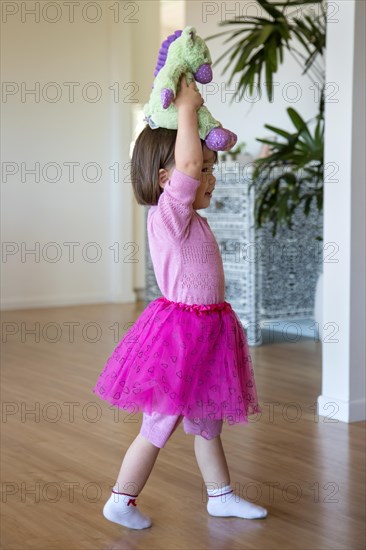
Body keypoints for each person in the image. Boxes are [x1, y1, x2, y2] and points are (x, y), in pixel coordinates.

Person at [92, 76, 268, 529]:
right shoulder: (169, 214)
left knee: (209, 422)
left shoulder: (191, 219)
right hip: (180, 336)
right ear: (168, 180)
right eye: (202, 169)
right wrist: (187, 107)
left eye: (211, 167)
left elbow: (189, 161)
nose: (209, 175)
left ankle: (221, 496)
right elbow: (187, 161)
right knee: (160, 423)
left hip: (211, 329)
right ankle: (121, 500)